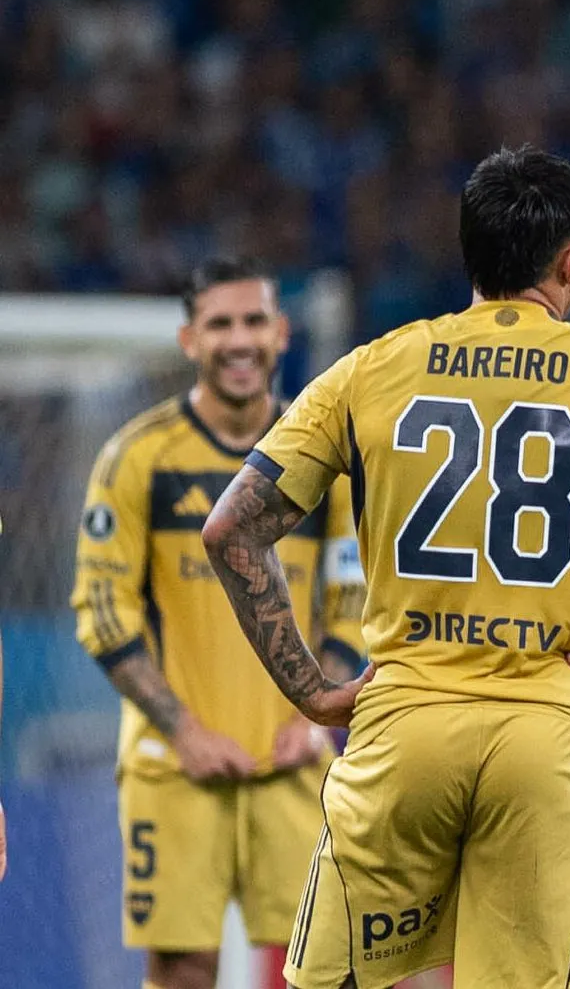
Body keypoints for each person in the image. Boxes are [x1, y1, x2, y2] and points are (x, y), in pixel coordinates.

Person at [200, 147, 570, 989]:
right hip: (548, 735)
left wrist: (313, 692)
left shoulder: (373, 368)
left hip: (404, 725)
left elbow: (231, 530)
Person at [71, 257, 365, 989]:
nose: (239, 340)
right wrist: (185, 732)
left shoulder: (323, 457)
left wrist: (320, 717)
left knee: (328, 968)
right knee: (183, 970)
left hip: (294, 760)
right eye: (220, 324)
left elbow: (354, 595)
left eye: (253, 321)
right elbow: (103, 610)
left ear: (281, 332)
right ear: (189, 340)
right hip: (175, 766)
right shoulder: (138, 456)